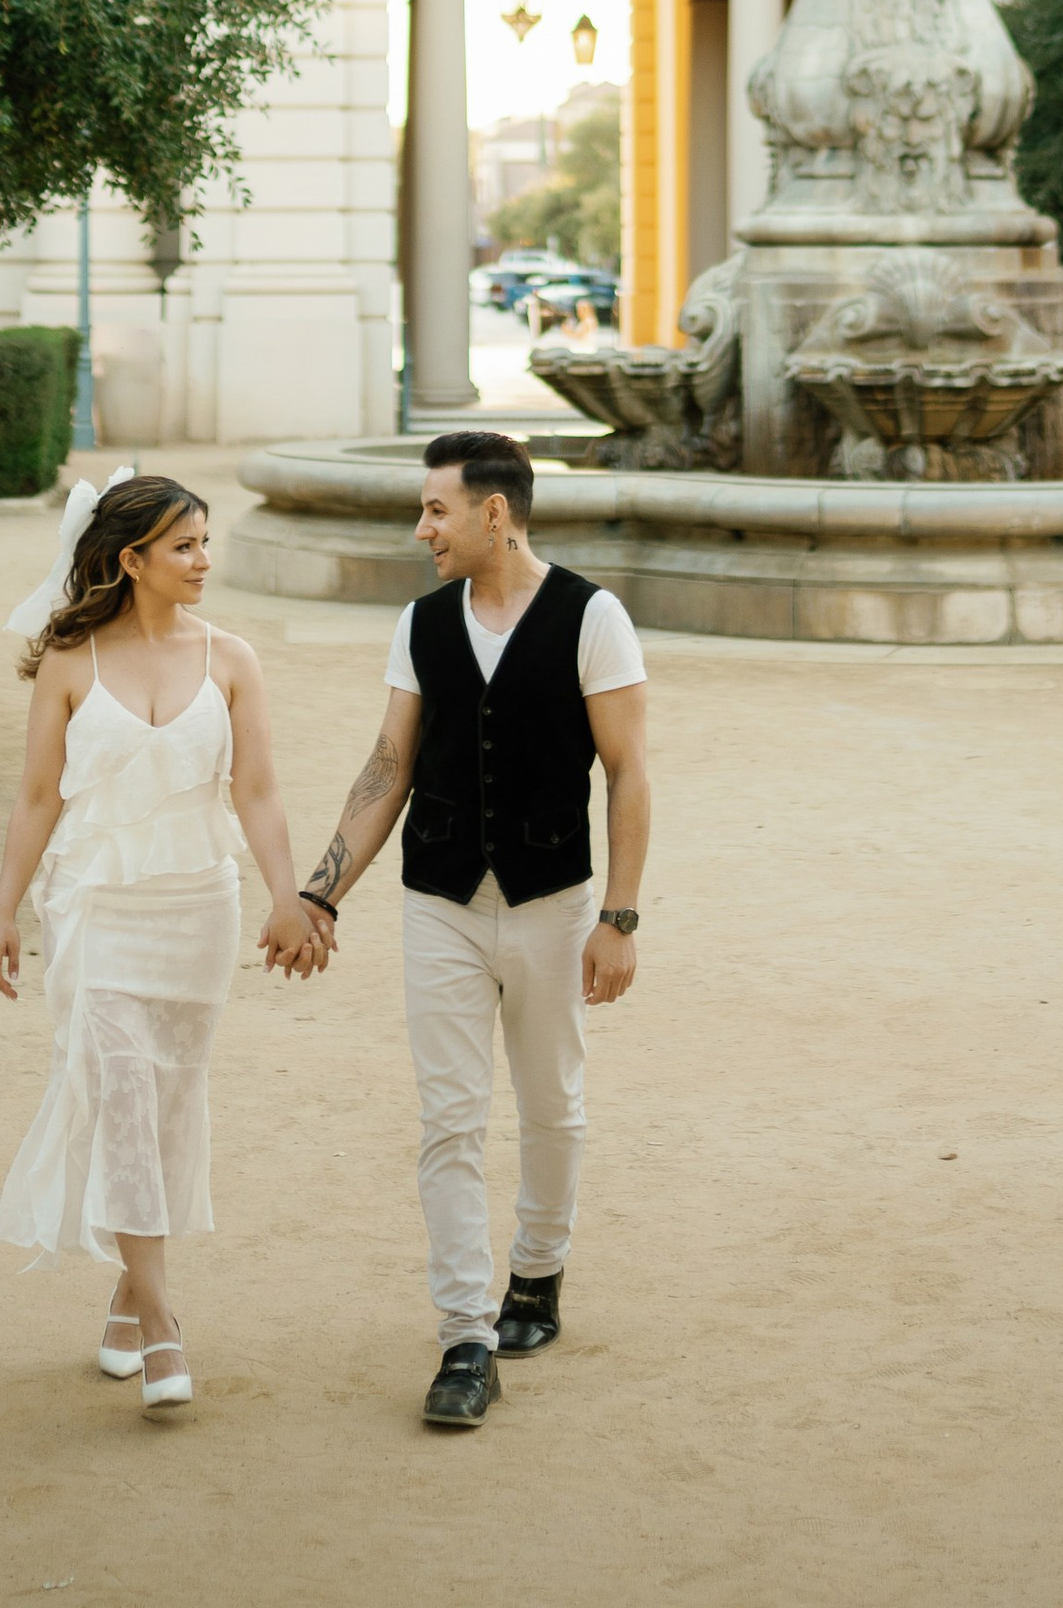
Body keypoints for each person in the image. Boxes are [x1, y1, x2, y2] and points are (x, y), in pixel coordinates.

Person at [293, 428, 651, 1429]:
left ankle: (535, 1274)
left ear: (494, 511)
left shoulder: (593, 617)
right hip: (438, 901)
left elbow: (627, 772)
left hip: (550, 901)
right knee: (449, 1119)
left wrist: (617, 918)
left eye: (436, 510)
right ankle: (466, 1334)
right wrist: (322, 893)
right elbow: (386, 765)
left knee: (549, 1102)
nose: (423, 528)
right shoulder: (420, 622)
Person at [0, 470, 326, 1412]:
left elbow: (256, 790)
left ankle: (129, 1295)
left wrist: (288, 897)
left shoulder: (232, 660)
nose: (203, 560)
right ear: (131, 559)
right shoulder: (68, 664)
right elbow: (36, 795)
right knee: (123, 1093)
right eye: (183, 546)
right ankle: (167, 1321)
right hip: (97, 906)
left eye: (206, 542)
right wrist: (6, 908)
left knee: (172, 1100)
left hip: (198, 909)